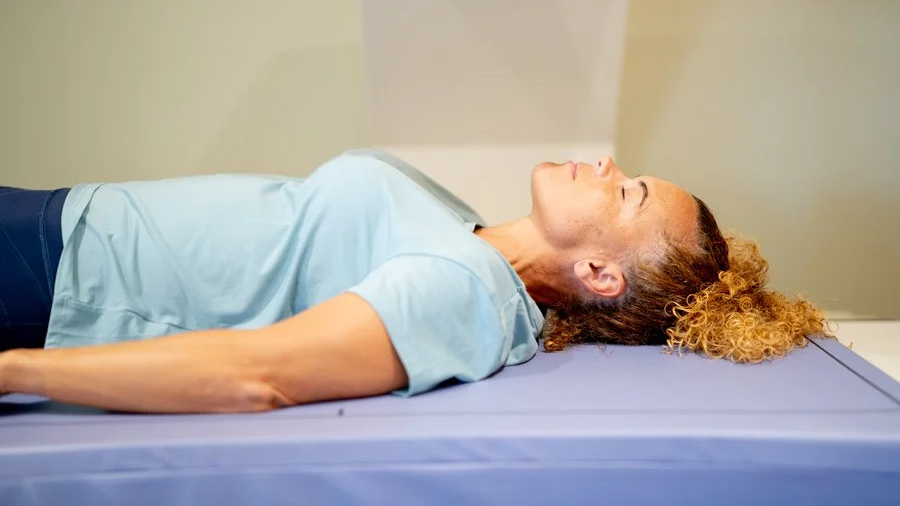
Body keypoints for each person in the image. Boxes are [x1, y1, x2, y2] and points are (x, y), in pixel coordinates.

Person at [0, 149, 830, 413]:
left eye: (627, 193)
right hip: (64, 219)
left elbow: (258, 375)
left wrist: (12, 370)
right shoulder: (468, 232)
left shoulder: (464, 290)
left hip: (53, 276)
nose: (608, 165)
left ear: (599, 274)